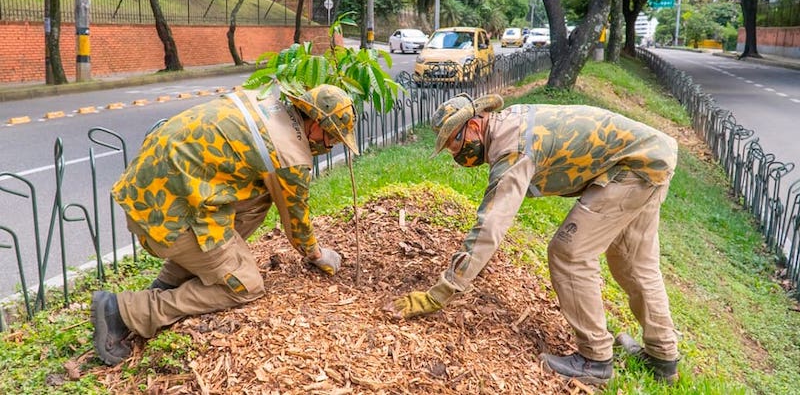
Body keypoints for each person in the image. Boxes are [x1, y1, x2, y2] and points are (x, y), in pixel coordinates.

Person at [389, 93, 681, 385]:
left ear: (475, 126)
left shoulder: (513, 148)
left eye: (454, 143)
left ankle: (595, 360)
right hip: (649, 157)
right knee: (632, 261)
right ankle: (663, 358)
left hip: (634, 166)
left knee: (569, 253)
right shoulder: (509, 123)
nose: (456, 155)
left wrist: (442, 292)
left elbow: (490, 227)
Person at [91, 84, 359, 366]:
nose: (330, 145)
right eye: (332, 137)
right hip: (165, 215)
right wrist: (317, 255)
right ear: (316, 124)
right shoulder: (289, 154)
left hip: (148, 188)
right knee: (246, 285)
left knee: (259, 197)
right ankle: (123, 311)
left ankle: (171, 280)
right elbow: (296, 221)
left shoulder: (264, 101)